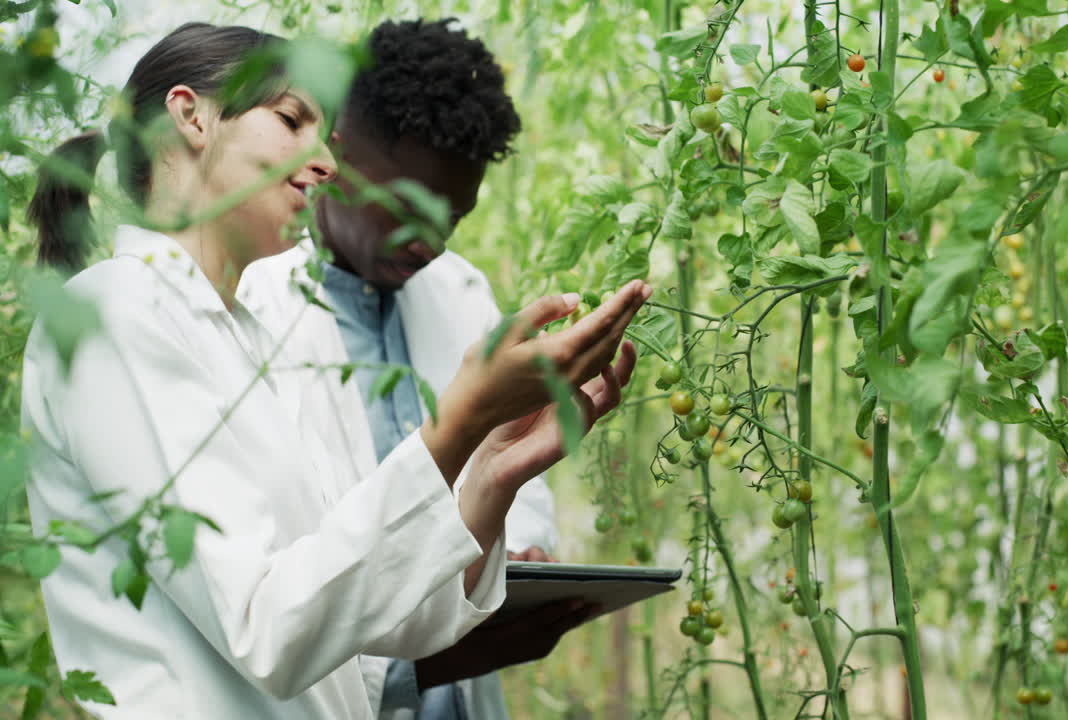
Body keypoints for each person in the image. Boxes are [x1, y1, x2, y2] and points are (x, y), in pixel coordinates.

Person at [21, 22, 649, 719]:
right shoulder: (115, 311)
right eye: (292, 120)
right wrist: (460, 419)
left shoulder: (258, 337)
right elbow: (269, 632)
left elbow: (382, 628)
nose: (323, 163)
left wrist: (496, 467)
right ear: (190, 115)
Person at [237, 18, 611, 720]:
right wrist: (431, 660)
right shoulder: (250, 307)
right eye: (407, 210)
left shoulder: (463, 295)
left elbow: (510, 487)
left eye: (455, 217)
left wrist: (524, 551)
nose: (431, 245)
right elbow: (279, 600)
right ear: (333, 158)